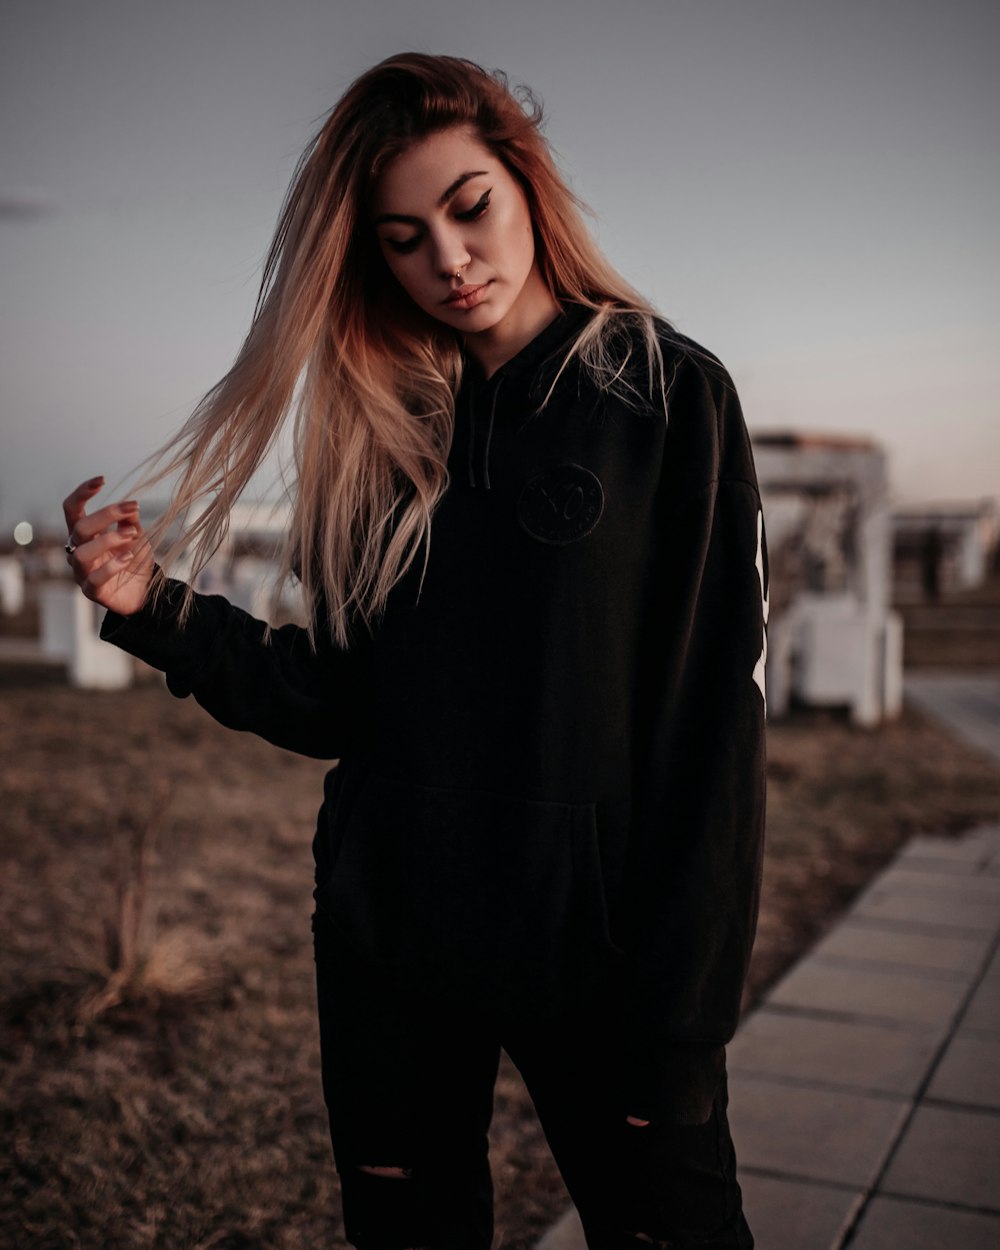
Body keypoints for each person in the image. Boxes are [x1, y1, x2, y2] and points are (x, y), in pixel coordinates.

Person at [63, 52, 766, 1250]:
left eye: (468, 205)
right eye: (401, 237)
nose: (447, 257)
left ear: (525, 183)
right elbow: (336, 700)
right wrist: (156, 609)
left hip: (596, 962)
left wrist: (683, 1024)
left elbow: (712, 725)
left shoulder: (666, 395)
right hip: (395, 944)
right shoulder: (380, 438)